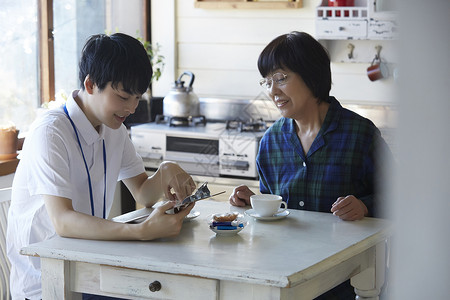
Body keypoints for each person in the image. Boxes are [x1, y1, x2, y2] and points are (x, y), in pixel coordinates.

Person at [7, 33, 196, 300]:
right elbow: (63, 221)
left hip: (88, 269)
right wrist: (141, 231)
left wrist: (167, 169)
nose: (131, 108)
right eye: (122, 97)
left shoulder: (113, 127)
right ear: (91, 84)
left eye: (137, 98)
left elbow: (142, 192)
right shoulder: (51, 132)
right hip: (46, 283)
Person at [229, 31, 393, 299]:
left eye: (281, 78)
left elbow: (403, 200)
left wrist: (365, 205)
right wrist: (254, 203)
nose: (273, 91)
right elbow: (277, 213)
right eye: (267, 81)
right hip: (287, 280)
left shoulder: (359, 134)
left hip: (351, 283)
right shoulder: (271, 142)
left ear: (311, 74)